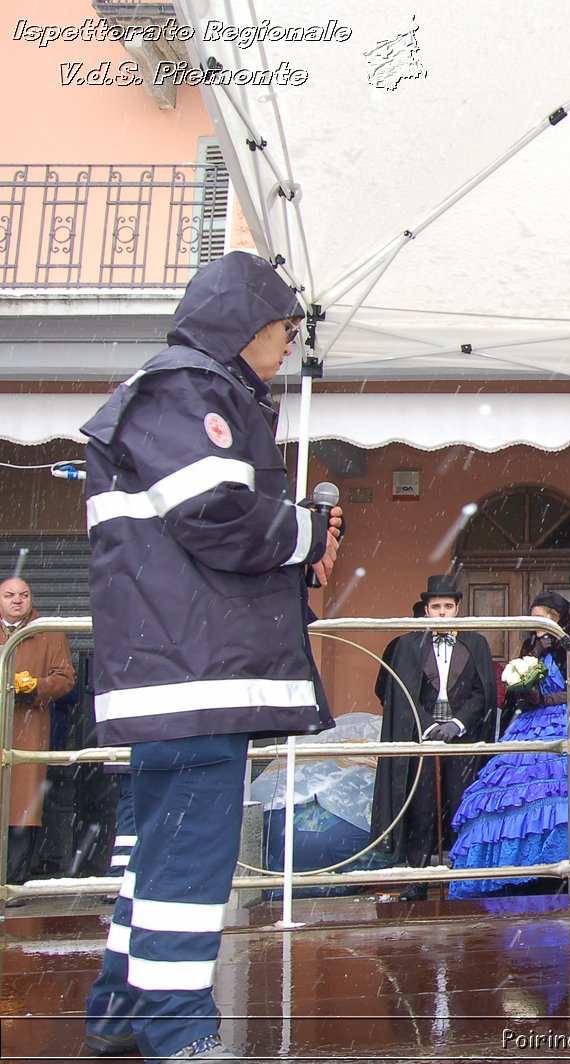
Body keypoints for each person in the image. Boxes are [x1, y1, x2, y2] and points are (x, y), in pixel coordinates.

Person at [78, 250, 341, 1061]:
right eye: (286, 329)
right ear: (247, 323)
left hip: (174, 672)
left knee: (157, 849)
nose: (289, 347)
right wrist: (303, 529)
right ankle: (176, 1026)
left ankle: (123, 1007)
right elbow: (215, 515)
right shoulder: (191, 390)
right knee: (189, 855)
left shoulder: (170, 389)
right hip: (189, 671)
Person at [448, 592, 570, 896]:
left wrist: (548, 696)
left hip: (569, 718)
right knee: (519, 789)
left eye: (546, 617)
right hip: (530, 724)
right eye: (535, 617)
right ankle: (526, 869)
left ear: (559, 618)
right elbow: (516, 690)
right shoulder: (530, 647)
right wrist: (528, 681)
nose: (540, 624)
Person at [371, 575, 496, 901]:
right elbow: (402, 695)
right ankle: (418, 879)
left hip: (462, 741)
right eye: (436, 607)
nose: (442, 613)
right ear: (426, 610)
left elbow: (482, 693)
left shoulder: (476, 643)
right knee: (421, 809)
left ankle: (463, 876)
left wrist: (456, 724)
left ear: (457, 608)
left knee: (461, 806)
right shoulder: (409, 646)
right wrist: (427, 726)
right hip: (422, 737)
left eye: (447, 607)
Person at [2, 577, 77, 887]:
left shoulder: (47, 631)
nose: (17, 600)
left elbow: (66, 678)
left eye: (24, 595)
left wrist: (37, 687)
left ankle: (13, 881)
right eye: (9, 595)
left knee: (22, 808)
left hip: (28, 727)